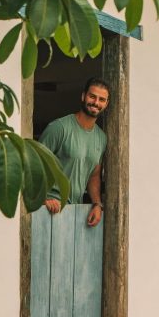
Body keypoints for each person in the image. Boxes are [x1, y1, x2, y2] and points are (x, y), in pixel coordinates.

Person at [39, 77, 109, 227]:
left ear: (106, 104)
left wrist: (97, 204)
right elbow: (35, 165)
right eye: (92, 96)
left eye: (102, 99)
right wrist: (43, 199)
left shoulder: (101, 138)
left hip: (75, 211)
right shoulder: (59, 128)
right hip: (48, 208)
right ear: (83, 96)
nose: (96, 103)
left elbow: (94, 175)